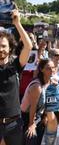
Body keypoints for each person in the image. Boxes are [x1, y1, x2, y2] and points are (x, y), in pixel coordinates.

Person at [0, 8, 32, 145]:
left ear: (10, 48)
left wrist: (17, 23)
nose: (0, 49)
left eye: (3, 46)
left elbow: (28, 46)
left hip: (14, 125)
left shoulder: (15, 65)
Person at [21, 59, 56, 145]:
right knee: (31, 137)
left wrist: (45, 117)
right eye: (48, 68)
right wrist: (31, 124)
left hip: (39, 117)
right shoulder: (37, 86)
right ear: (41, 69)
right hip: (26, 118)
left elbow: (48, 103)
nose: (52, 70)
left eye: (53, 68)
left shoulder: (51, 83)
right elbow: (33, 107)